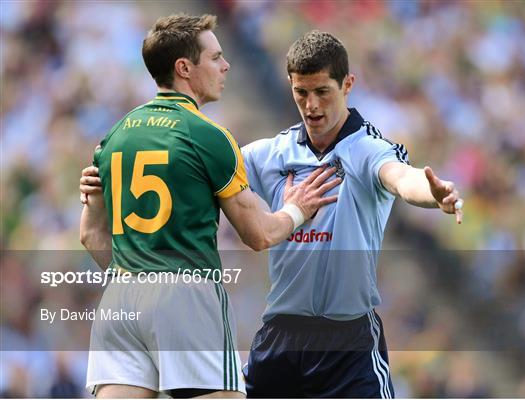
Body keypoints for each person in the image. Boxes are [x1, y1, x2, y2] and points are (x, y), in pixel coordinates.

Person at [81, 30, 463, 398]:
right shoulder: (267, 154)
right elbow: (203, 184)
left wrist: (431, 192)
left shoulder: (367, 148)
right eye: (301, 93)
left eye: (322, 92)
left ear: (347, 85)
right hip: (281, 334)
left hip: (347, 341)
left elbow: (400, 177)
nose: (311, 105)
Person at [79, 16, 340, 399]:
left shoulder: (114, 135)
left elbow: (90, 234)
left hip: (120, 298)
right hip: (185, 295)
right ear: (184, 69)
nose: (226, 65)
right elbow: (259, 234)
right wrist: (297, 208)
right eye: (215, 57)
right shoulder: (208, 135)